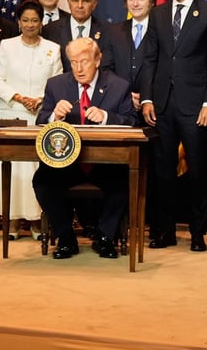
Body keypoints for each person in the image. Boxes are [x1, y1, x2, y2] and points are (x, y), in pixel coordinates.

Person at [140, 0, 207, 253]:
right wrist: (147, 98)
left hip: (195, 106)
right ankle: (164, 231)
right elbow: (150, 58)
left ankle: (198, 232)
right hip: (162, 104)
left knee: (197, 171)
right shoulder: (158, 14)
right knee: (162, 171)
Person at [32, 37, 137, 259]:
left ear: (98, 60)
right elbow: (40, 120)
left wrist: (106, 117)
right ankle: (66, 238)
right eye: (73, 62)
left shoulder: (119, 86)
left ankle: (105, 237)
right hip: (68, 163)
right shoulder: (56, 85)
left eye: (84, 62)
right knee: (42, 181)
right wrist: (54, 116)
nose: (79, 69)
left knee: (124, 180)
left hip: (106, 163)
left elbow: (132, 121)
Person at [0, 0, 62, 239]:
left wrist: (41, 100)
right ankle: (11, 221)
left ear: (41, 23)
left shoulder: (53, 48)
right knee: (12, 170)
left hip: (40, 116)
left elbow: (58, 82)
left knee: (37, 170)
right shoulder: (7, 46)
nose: (30, 24)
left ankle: (36, 221)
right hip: (12, 114)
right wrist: (19, 98)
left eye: (34, 20)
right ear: (19, 22)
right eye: (25, 20)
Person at [41, 0, 113, 74]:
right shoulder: (50, 30)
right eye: (75, 0)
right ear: (68, 2)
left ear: (94, 4)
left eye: (85, 1)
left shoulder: (108, 30)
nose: (80, 6)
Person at [111, 0, 156, 116]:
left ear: (152, 2)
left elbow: (165, 71)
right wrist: (125, 94)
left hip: (153, 108)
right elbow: (106, 68)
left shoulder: (162, 31)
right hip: (119, 106)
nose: (135, 3)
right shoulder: (113, 31)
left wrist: (146, 97)